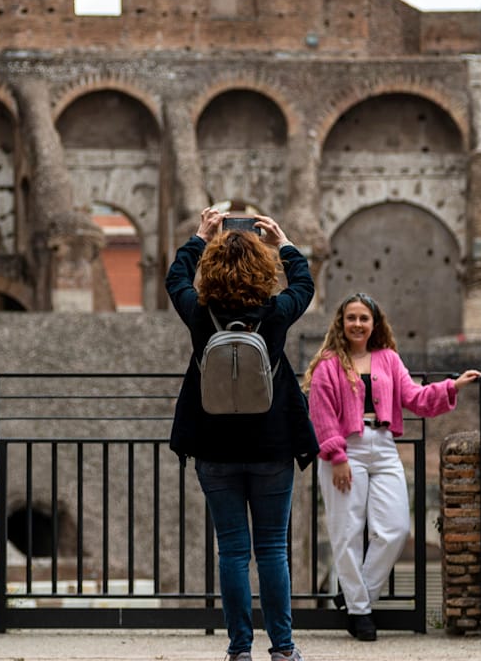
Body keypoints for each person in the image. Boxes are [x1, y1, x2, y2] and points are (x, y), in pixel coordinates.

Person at [167, 207, 317, 661]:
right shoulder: (273, 315)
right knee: (272, 550)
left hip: (214, 444)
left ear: (210, 271)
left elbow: (176, 279)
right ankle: (284, 649)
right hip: (272, 443)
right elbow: (304, 285)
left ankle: (239, 650)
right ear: (261, 270)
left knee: (232, 551)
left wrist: (199, 236)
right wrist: (284, 242)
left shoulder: (199, 313)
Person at [304, 292, 481, 642]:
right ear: (341, 323)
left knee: (396, 528)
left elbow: (415, 398)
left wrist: (452, 386)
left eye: (363, 318)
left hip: (383, 447)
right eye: (350, 317)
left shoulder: (388, 359)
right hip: (345, 449)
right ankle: (359, 613)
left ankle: (357, 596)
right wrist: (337, 457)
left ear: (374, 323)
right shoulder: (328, 364)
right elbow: (321, 415)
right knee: (347, 532)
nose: (357, 324)